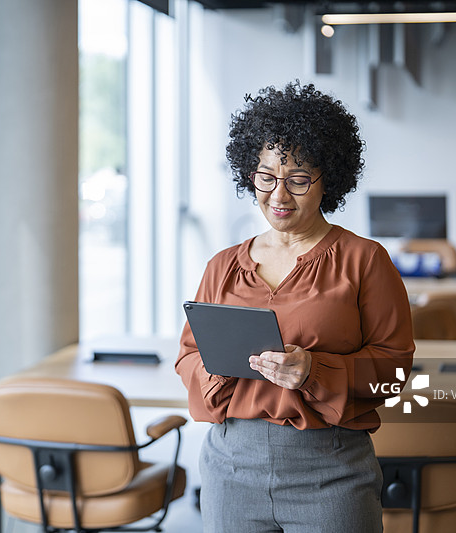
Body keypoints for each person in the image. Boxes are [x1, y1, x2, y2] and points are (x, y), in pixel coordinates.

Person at [175, 81, 415, 533]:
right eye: (266, 177)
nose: (278, 196)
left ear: (329, 180)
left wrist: (315, 372)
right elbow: (188, 355)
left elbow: (395, 371)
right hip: (231, 467)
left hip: (331, 469)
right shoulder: (222, 266)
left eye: (298, 180)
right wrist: (218, 370)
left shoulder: (365, 261)